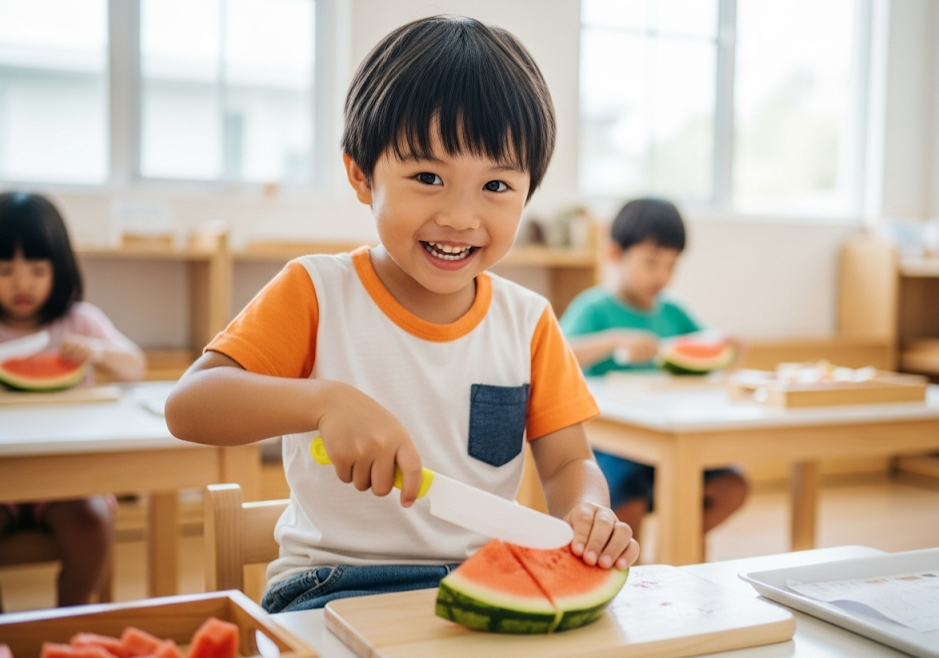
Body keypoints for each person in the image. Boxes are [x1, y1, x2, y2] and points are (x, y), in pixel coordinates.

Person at [165, 15, 640, 612]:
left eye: (496, 186)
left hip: (484, 581)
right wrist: (322, 402)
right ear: (361, 175)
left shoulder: (528, 320)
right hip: (331, 584)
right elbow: (190, 407)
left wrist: (586, 510)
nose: (461, 216)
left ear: (529, 190)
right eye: (427, 177)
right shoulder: (316, 290)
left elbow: (570, 460)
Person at [559, 198, 748, 545]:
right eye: (651, 263)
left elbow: (710, 346)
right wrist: (612, 339)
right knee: (623, 495)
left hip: (674, 440)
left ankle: (675, 550)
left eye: (671, 265)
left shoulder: (673, 311)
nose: (662, 275)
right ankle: (633, 568)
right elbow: (557, 353)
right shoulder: (594, 307)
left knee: (732, 485)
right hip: (613, 445)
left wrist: (728, 343)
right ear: (615, 253)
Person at [0, 191, 147, 609]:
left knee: (92, 524)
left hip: (66, 482)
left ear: (59, 268)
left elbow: (134, 365)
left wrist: (97, 352)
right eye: (6, 269)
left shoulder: (79, 320)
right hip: (3, 477)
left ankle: (70, 621)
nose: (22, 282)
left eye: (37, 269)